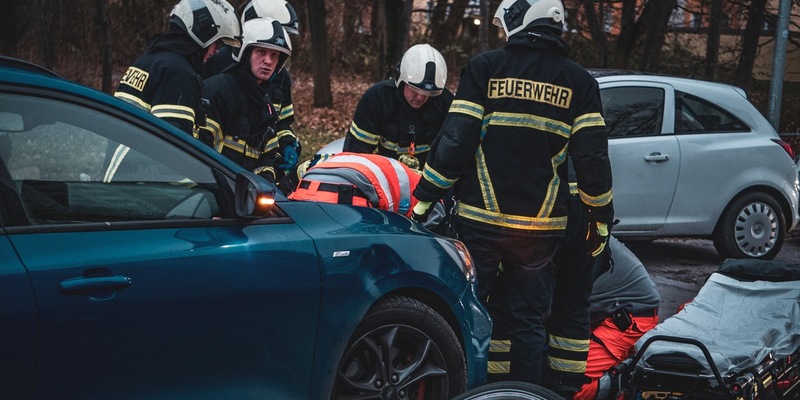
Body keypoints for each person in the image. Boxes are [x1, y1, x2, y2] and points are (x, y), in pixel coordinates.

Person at [411, 0, 614, 387]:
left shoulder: (486, 68)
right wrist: (600, 219)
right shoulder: (580, 82)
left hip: (481, 225)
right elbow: (592, 159)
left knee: (475, 310)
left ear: (520, 19)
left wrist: (425, 196)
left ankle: (473, 390)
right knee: (528, 321)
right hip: (540, 233)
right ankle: (527, 394)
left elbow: (456, 141)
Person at [204, 0, 302, 186]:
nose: (268, 61)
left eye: (274, 55)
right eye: (261, 52)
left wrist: (265, 185)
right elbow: (200, 149)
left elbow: (268, 153)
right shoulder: (220, 88)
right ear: (246, 51)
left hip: (240, 190)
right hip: (212, 187)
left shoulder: (265, 102)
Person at [114, 0, 240, 136]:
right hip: (138, 157)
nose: (216, 51)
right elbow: (173, 144)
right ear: (203, 33)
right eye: (217, 43)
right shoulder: (179, 75)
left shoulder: (147, 60)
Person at [343, 43, 453, 171]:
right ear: (401, 80)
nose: (421, 98)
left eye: (429, 93)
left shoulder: (445, 104)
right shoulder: (377, 99)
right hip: (382, 177)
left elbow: (452, 157)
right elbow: (356, 155)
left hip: (428, 183)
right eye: (414, 90)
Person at [575, 236, 660, 400]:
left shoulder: (578, 237)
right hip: (600, 312)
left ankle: (621, 385)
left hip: (629, 318)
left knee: (573, 385)